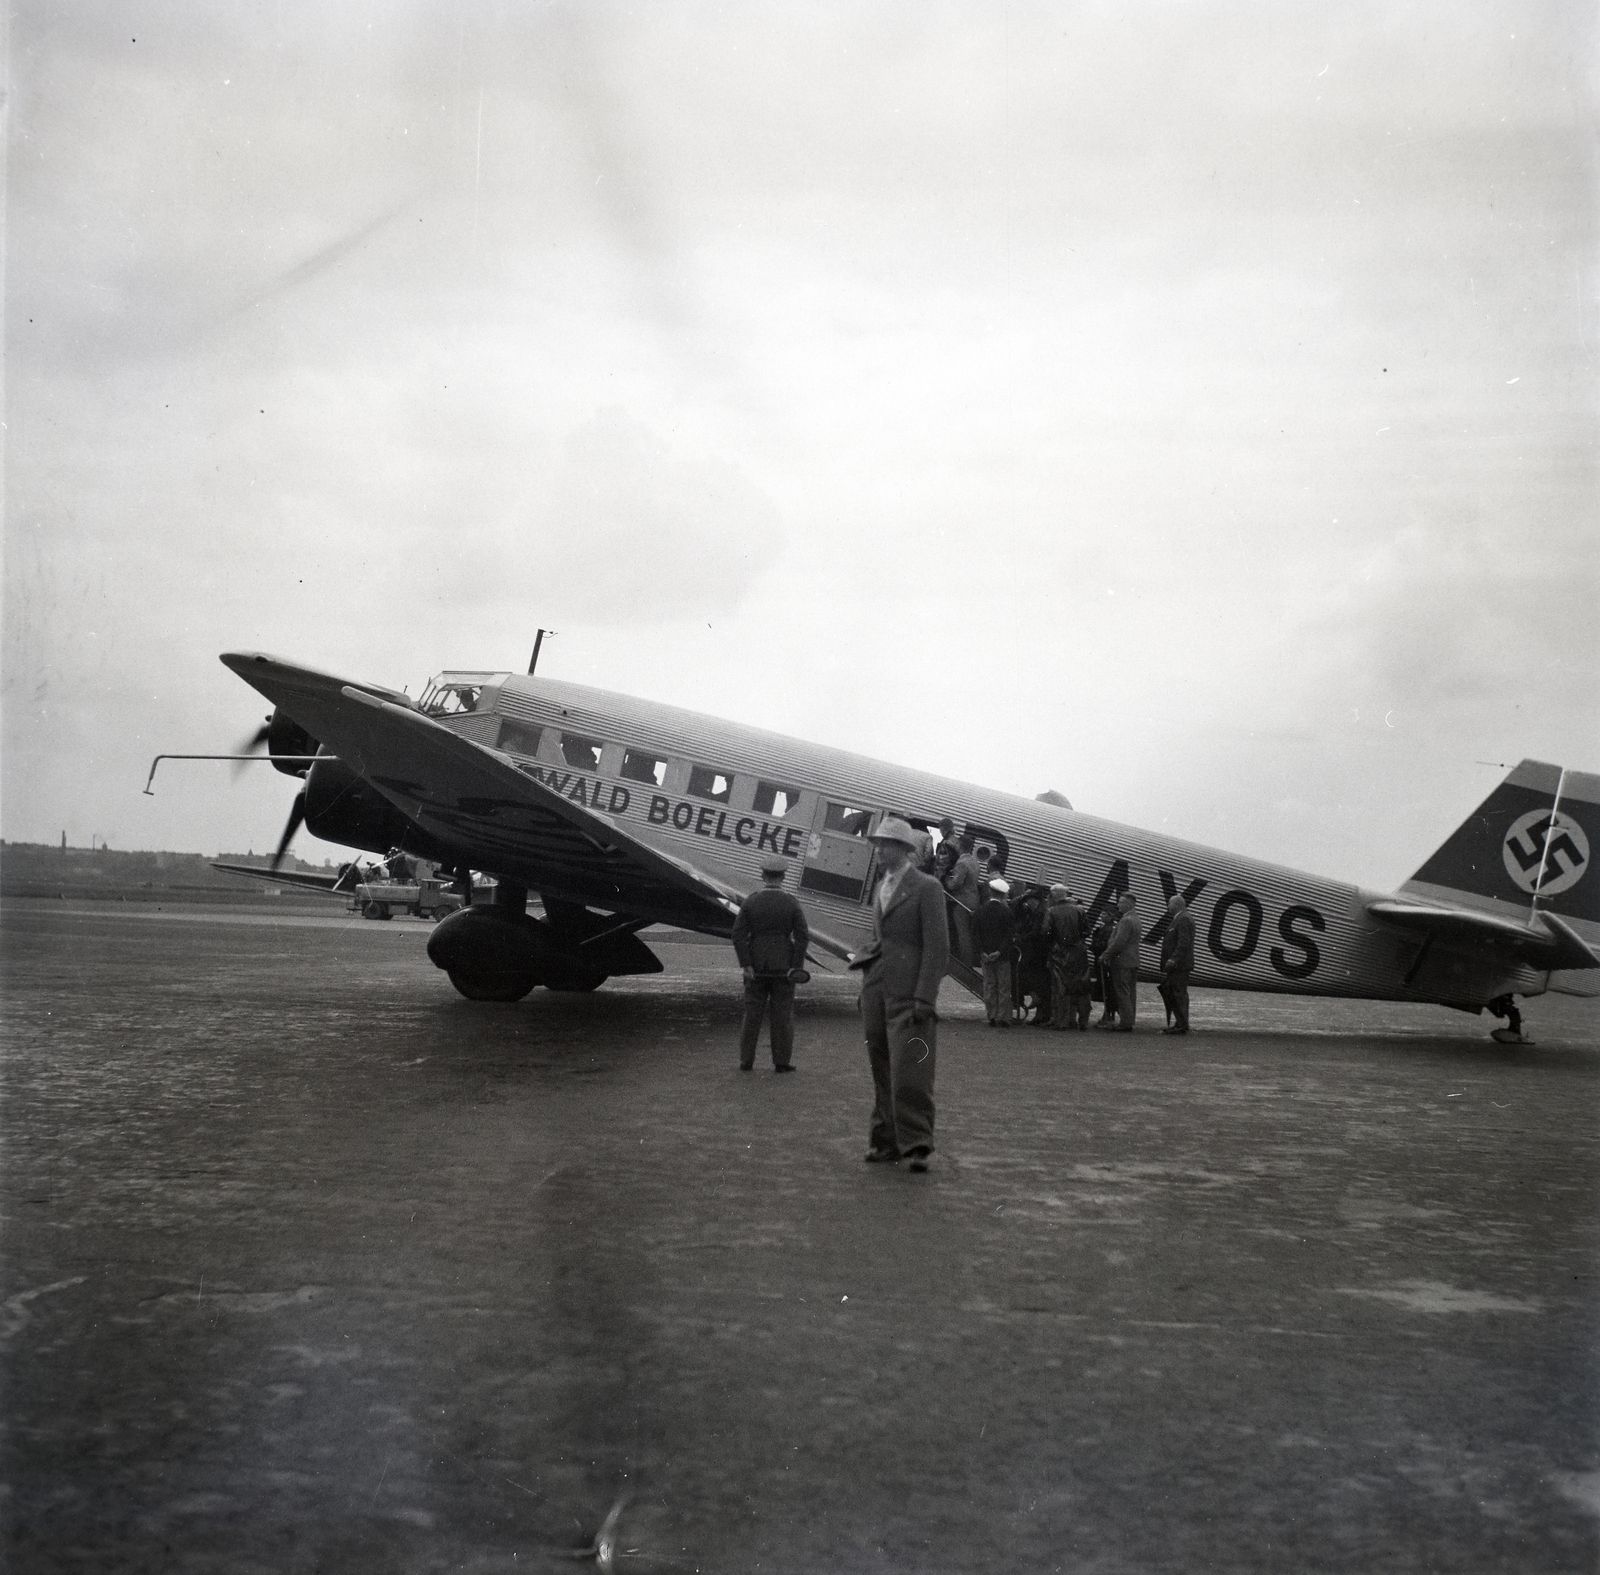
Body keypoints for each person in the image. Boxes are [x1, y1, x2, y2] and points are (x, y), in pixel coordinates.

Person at [851, 816, 949, 1171]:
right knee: (881, 1068)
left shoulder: (927, 887)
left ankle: (918, 1145)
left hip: (910, 994)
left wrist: (926, 997)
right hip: (877, 988)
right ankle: (886, 1142)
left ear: (903, 849)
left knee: (911, 1072)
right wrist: (867, 980)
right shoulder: (882, 884)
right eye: (877, 843)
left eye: (884, 844)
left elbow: (937, 948)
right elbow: (882, 939)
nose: (877, 849)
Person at [731, 854, 810, 1071]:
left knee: (752, 1014)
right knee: (782, 1016)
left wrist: (746, 963)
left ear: (762, 875)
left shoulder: (751, 901)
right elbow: (802, 936)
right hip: (784, 967)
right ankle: (781, 1062)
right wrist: (796, 965)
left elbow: (737, 935)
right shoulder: (791, 902)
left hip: (756, 966)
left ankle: (746, 1061)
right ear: (783, 877)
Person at [1046, 885, 1092, 1029]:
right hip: (1078, 952)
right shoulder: (1079, 910)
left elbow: (1046, 932)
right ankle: (1083, 1020)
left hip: (1060, 953)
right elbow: (1087, 931)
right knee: (1081, 986)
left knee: (1061, 987)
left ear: (1053, 896)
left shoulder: (1051, 911)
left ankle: (1062, 1021)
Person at [973, 878, 1017, 1027]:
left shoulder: (980, 910)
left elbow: (975, 934)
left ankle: (991, 1015)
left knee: (989, 985)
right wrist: (999, 951)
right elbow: (1009, 936)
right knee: (1003, 987)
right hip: (1002, 956)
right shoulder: (1007, 912)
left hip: (985, 955)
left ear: (991, 891)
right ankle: (1003, 1017)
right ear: (1003, 894)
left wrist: (982, 952)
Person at [1098, 892, 1141, 1032]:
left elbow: (1119, 942)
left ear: (1128, 904)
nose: (1118, 905)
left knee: (1122, 992)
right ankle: (1129, 1020)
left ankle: (1125, 1023)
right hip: (1132, 960)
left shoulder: (1126, 920)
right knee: (1130, 992)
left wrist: (1106, 954)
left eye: (1120, 902)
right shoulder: (1136, 918)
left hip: (1122, 961)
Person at [1158, 894, 1196, 1036]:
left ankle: (1181, 1024)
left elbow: (1183, 943)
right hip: (1180, 964)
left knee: (1178, 993)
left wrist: (1174, 959)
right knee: (1178, 993)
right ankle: (1180, 1022)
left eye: (1169, 904)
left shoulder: (1183, 918)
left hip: (1179, 965)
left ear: (1176, 905)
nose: (1168, 907)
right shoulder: (1181, 918)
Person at [944, 833, 984, 966]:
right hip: (973, 901)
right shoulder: (974, 862)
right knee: (967, 933)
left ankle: (965, 964)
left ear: (960, 845)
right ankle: (967, 962)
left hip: (962, 902)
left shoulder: (961, 863)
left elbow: (956, 884)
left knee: (962, 934)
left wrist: (945, 880)